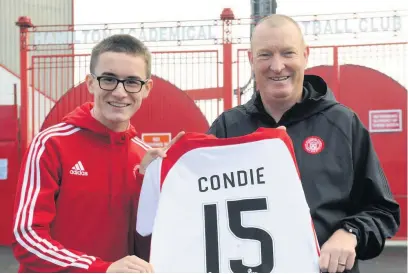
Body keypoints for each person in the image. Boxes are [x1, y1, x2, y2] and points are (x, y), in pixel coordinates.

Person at [207, 15, 400, 273]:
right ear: (252, 60)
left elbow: (382, 210)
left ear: (305, 55)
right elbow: (194, 210)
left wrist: (350, 232)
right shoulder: (226, 129)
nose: (277, 66)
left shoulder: (342, 123)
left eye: (288, 53)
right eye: (265, 55)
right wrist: (160, 170)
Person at [12, 34, 156, 273]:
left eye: (132, 82)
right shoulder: (51, 144)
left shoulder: (144, 158)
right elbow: (27, 238)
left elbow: (149, 244)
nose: (120, 92)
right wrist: (100, 269)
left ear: (146, 88)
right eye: (108, 79)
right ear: (90, 82)